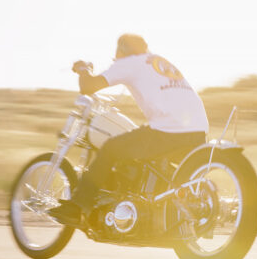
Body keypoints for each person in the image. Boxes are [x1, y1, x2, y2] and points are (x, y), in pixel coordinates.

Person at [48, 34, 209, 226]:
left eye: (116, 52)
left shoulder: (129, 62)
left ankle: (77, 209)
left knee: (111, 148)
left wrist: (83, 69)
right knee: (147, 157)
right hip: (199, 132)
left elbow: (88, 86)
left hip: (169, 131)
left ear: (122, 49)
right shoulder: (158, 61)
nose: (115, 57)